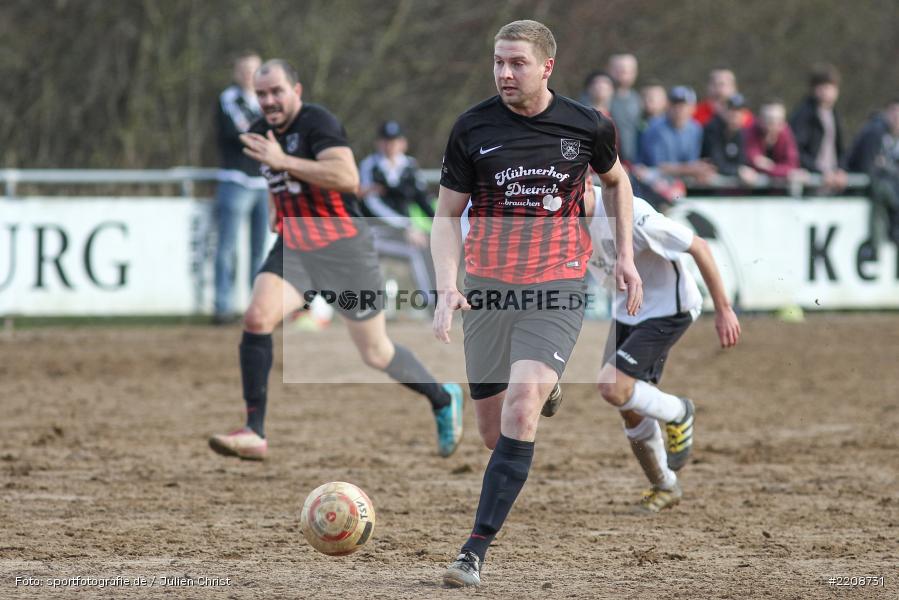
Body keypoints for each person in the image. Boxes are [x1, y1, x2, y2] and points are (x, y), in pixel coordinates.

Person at [431, 20, 642, 587]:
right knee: (496, 435)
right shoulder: (471, 128)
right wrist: (448, 283)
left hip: (558, 287)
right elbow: (446, 217)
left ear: (546, 66)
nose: (504, 73)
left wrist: (623, 256)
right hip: (487, 289)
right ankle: (539, 390)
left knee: (521, 408)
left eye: (517, 63)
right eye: (498, 62)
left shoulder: (587, 124)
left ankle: (474, 550)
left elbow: (618, 183)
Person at [207, 59, 463, 461]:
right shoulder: (258, 132)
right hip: (295, 246)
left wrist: (283, 161)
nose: (269, 100)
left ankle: (442, 397)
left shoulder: (317, 123)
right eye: (261, 94)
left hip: (344, 250)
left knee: (376, 352)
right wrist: (280, 205)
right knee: (257, 317)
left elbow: (347, 179)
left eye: (277, 91)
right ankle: (254, 431)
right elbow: (281, 181)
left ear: (297, 90)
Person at [586, 183, 740, 512]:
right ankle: (665, 485)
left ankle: (679, 412)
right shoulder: (560, 221)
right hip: (627, 309)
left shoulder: (633, 215)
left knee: (612, 386)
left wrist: (724, 309)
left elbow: (698, 246)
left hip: (669, 309)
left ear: (586, 183)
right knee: (627, 404)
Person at [213, 51, 270, 324]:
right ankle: (222, 307)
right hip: (236, 181)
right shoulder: (229, 99)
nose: (249, 74)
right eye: (244, 69)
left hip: (265, 182)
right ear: (236, 72)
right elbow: (242, 134)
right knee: (227, 248)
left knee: (260, 250)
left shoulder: (267, 99)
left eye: (254, 69)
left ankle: (257, 308)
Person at [358, 120, 436, 302]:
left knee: (428, 247)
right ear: (378, 143)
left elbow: (422, 198)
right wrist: (405, 225)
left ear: (403, 143)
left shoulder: (409, 166)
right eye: (386, 140)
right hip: (375, 231)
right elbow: (373, 205)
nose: (390, 145)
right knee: (415, 249)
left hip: (404, 231)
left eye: (395, 140)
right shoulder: (370, 166)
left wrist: (439, 223)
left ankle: (435, 303)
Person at [637, 86, 716, 183]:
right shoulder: (655, 127)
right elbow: (659, 167)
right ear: (668, 106)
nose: (678, 109)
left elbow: (691, 162)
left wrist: (699, 170)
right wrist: (692, 169)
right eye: (674, 104)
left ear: (693, 108)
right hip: (653, 182)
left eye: (683, 105)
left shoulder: (695, 128)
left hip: (681, 180)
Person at [789, 63, 848, 192]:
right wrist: (819, 171)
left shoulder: (834, 114)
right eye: (823, 87)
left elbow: (840, 149)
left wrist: (841, 169)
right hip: (812, 181)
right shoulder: (804, 115)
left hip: (831, 181)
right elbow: (796, 150)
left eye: (830, 87)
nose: (827, 92)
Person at [847, 100, 899, 245]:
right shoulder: (875, 132)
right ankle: (877, 245)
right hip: (861, 187)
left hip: (883, 185)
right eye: (894, 114)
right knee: (883, 193)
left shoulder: (892, 137)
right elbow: (867, 166)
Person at [701, 93, 758, 185]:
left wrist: (740, 170)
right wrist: (738, 171)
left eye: (739, 111)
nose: (735, 114)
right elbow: (716, 163)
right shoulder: (712, 129)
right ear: (723, 110)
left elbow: (742, 160)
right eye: (731, 109)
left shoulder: (742, 132)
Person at [744, 99, 804, 180]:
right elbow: (753, 162)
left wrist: (771, 168)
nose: (773, 124)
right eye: (768, 119)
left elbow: (792, 165)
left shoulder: (786, 133)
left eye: (778, 120)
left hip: (780, 190)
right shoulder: (750, 132)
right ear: (760, 120)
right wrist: (785, 172)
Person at [608, 53, 642, 164]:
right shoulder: (598, 99)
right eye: (618, 70)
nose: (622, 74)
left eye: (626, 71)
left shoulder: (639, 100)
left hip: (634, 163)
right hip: (607, 162)